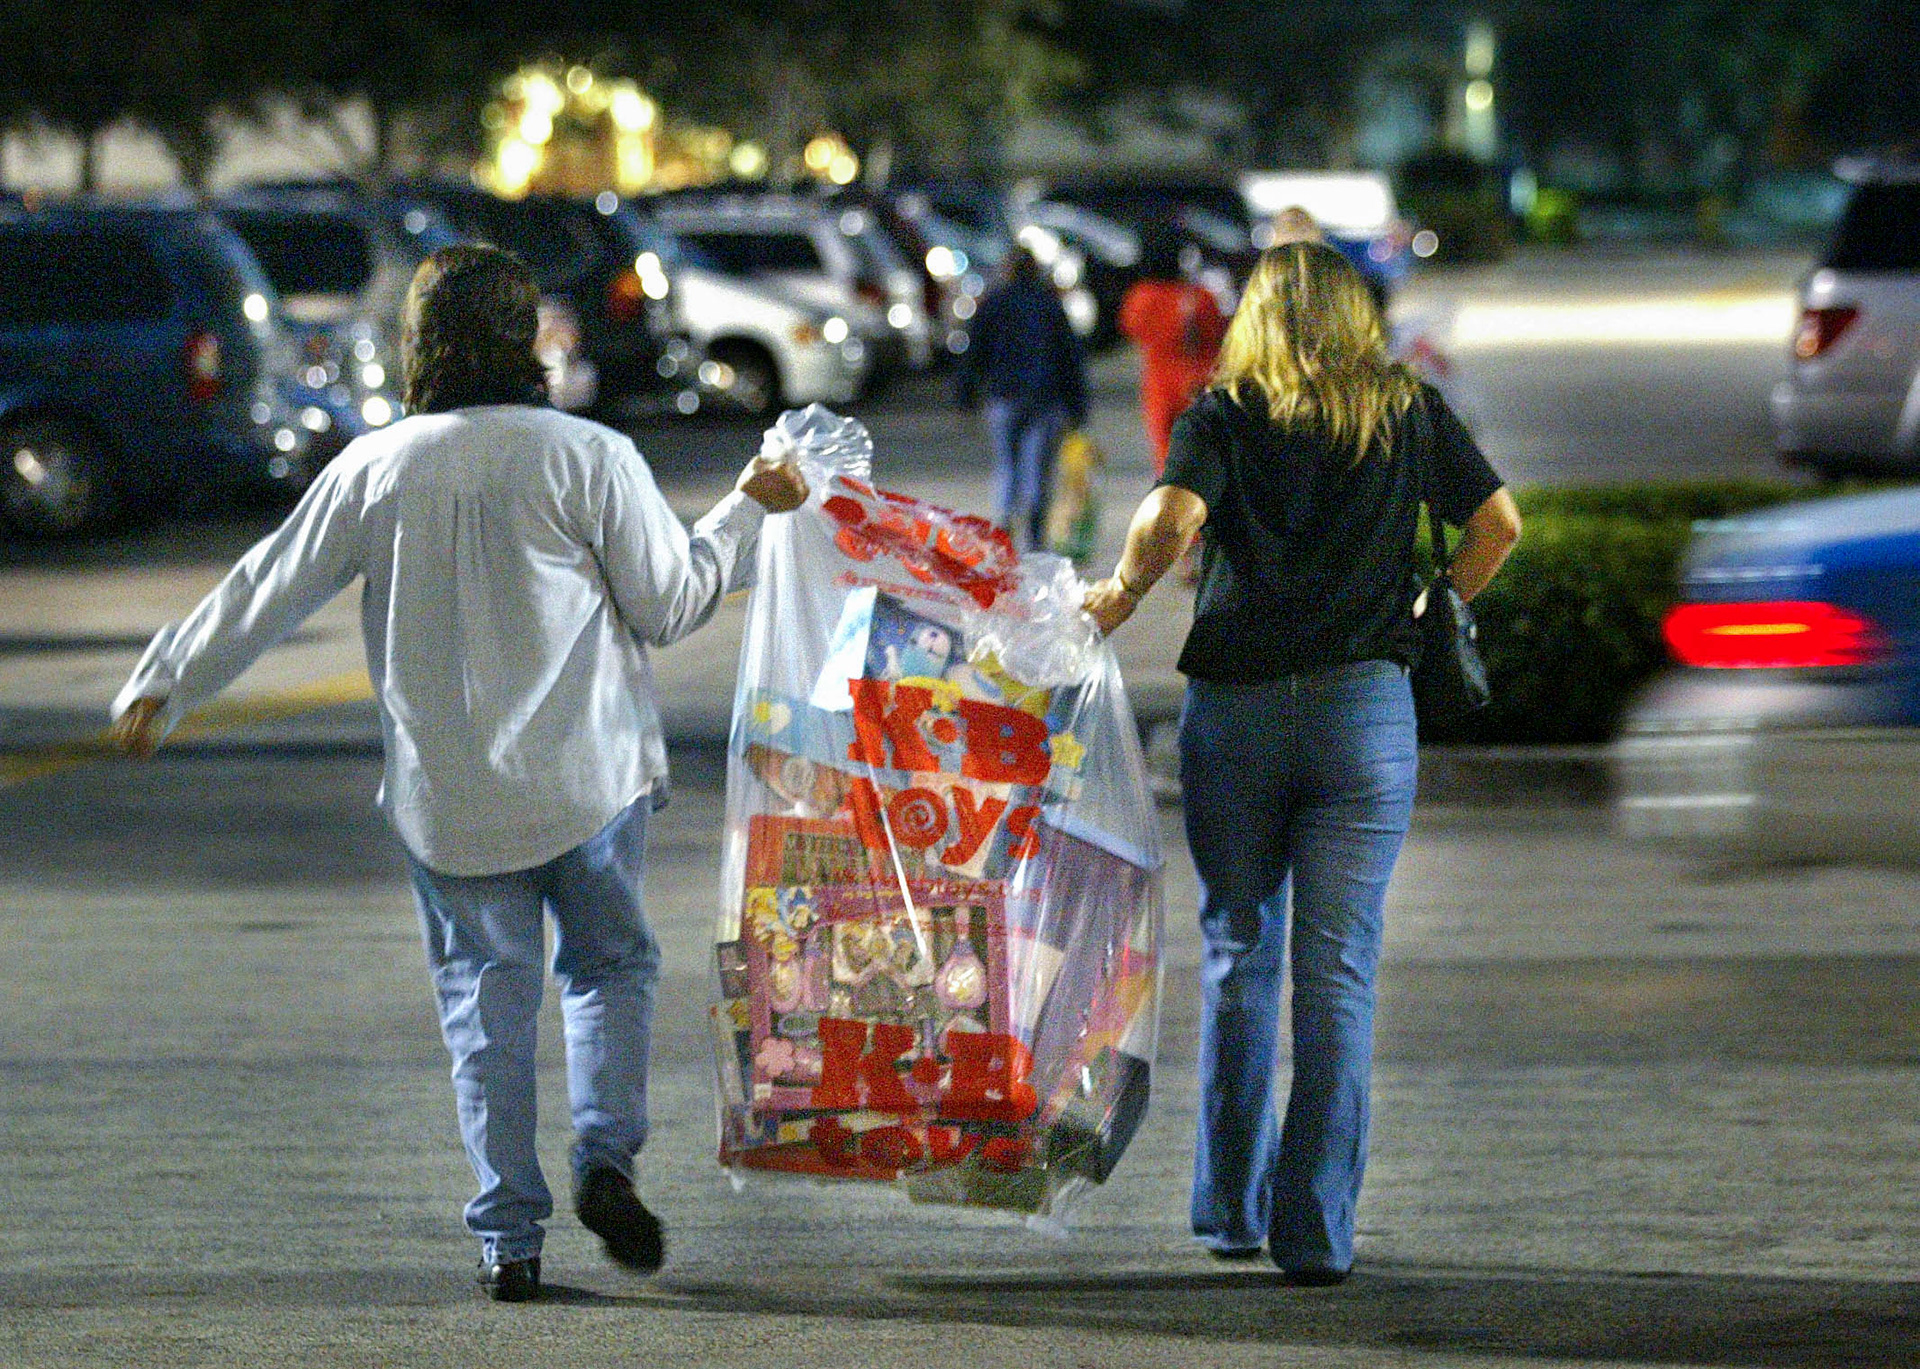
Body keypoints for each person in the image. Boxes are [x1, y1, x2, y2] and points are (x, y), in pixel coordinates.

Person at [108, 243, 809, 1303]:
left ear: (420, 344)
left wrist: (164, 682)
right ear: (526, 340)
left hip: (450, 800)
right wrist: (750, 506)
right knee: (607, 969)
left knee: (483, 1004)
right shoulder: (588, 455)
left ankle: (507, 1237)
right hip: (589, 781)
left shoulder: (378, 466)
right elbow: (671, 604)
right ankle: (605, 1158)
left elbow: (269, 582)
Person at [1084, 241, 1521, 1282]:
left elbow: (1173, 515)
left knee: (1241, 951)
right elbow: (1500, 523)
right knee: (1338, 972)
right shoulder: (1405, 409)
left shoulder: (1225, 414)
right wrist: (1435, 601)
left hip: (1234, 712)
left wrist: (1124, 591)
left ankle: (1230, 1210)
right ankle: (1315, 1231)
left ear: (1255, 318)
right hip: (1363, 712)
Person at [955, 243, 1087, 550]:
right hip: (1044, 399)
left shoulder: (993, 304)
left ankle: (1004, 528)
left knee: (1007, 466)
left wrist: (965, 394)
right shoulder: (1049, 305)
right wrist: (1078, 407)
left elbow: (974, 353)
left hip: (1003, 397)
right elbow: (1069, 358)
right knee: (1037, 468)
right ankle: (1035, 537)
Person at [1118, 219, 1228, 476]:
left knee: (1166, 460)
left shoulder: (1139, 298)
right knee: (1204, 458)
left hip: (1159, 386)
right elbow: (1217, 334)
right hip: (1199, 384)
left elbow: (1131, 330)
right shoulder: (1201, 297)